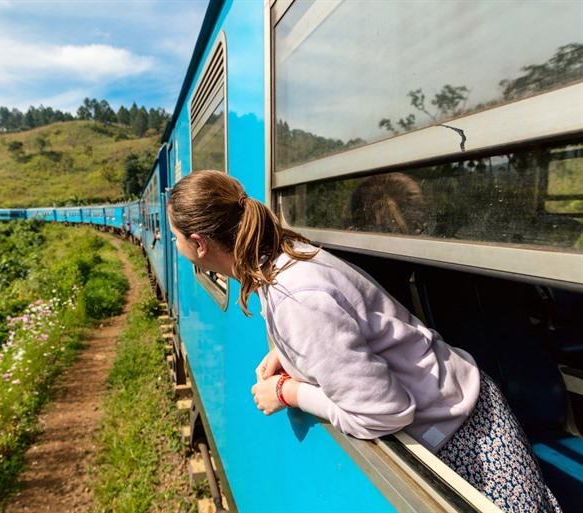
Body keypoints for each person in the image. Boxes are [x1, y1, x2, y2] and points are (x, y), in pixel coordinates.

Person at [167, 170, 561, 513]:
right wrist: (284, 351)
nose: (176, 247)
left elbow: (383, 414)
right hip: (462, 411)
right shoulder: (287, 257)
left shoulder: (296, 299)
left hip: (465, 438)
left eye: (176, 238)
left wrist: (287, 391)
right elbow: (339, 323)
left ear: (199, 243)